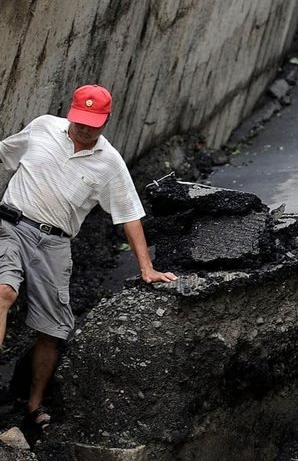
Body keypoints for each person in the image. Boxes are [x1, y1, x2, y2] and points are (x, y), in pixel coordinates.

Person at [0, 84, 177, 429]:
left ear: (106, 120)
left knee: (53, 329)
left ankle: (33, 407)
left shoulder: (109, 163)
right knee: (4, 291)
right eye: (80, 121)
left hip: (55, 244)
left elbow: (129, 215)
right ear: (71, 111)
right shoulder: (42, 128)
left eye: (93, 124)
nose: (85, 129)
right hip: (12, 224)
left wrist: (147, 268)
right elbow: (4, 153)